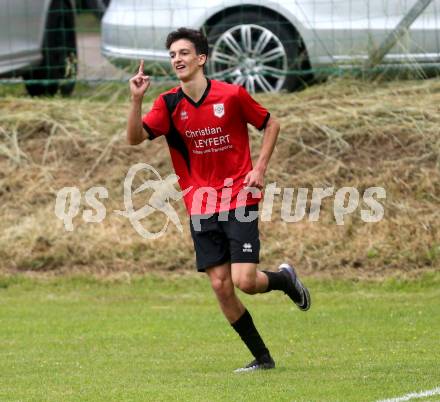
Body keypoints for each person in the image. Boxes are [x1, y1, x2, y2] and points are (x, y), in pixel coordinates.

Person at [126, 27, 311, 372]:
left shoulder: (232, 95)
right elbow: (135, 138)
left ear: (201, 58)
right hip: (200, 204)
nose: (177, 59)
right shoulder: (167, 104)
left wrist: (260, 168)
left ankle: (284, 280)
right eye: (172, 55)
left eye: (183, 53)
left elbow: (272, 124)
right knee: (220, 286)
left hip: (238, 197)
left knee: (245, 281)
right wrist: (136, 100)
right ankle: (263, 358)